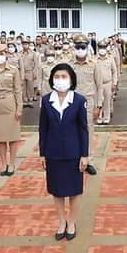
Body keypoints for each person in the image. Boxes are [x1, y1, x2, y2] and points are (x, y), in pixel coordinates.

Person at [39, 63, 89, 242]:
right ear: (52, 79)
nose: (60, 80)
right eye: (57, 76)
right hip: (53, 153)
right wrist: (42, 153)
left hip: (73, 152)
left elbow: (83, 129)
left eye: (64, 76)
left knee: (75, 190)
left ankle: (72, 222)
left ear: (71, 79)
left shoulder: (79, 100)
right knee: (57, 190)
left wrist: (84, 155)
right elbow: (43, 128)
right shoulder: (46, 101)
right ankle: (62, 222)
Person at [0, 44, 23, 176]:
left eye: (1, 53)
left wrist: (19, 108)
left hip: (10, 103)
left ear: (6, 54)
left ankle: (11, 163)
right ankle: (3, 164)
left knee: (12, 137)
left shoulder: (13, 70)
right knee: (0, 137)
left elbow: (18, 90)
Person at [71, 34, 103, 175]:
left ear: (87, 48)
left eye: (83, 47)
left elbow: (99, 86)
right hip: (72, 102)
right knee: (72, 131)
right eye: (78, 47)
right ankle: (74, 159)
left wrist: (99, 106)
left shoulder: (94, 64)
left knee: (88, 131)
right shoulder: (69, 64)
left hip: (88, 102)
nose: (80, 50)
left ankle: (88, 160)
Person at [95, 39, 119, 125]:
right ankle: (99, 117)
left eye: (104, 47)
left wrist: (114, 83)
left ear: (106, 48)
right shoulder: (94, 59)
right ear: (98, 48)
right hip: (97, 84)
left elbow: (114, 71)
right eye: (100, 47)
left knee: (107, 102)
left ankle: (106, 118)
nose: (102, 49)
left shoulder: (110, 58)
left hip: (108, 83)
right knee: (98, 102)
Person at [20, 40, 39, 108]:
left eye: (26, 44)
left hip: (30, 72)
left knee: (30, 87)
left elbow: (36, 64)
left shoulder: (33, 53)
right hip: (21, 72)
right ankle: (24, 102)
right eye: (23, 44)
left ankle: (30, 101)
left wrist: (35, 72)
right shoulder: (19, 53)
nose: (25, 45)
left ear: (28, 45)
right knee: (23, 87)